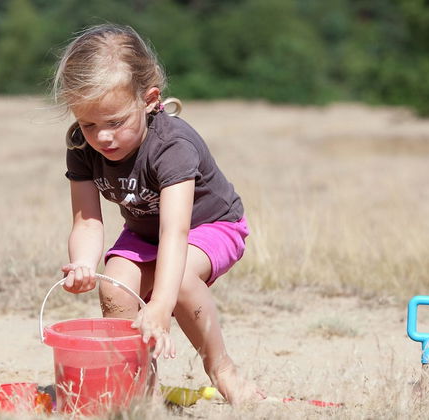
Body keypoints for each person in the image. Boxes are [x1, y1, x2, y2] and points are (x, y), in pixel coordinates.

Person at [53, 23, 265, 405]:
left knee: (180, 281)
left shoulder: (172, 145)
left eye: (116, 122)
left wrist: (160, 306)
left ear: (149, 99)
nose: (102, 138)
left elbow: (175, 233)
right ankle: (137, 387)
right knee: (114, 285)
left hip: (210, 226)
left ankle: (222, 370)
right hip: (145, 232)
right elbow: (86, 220)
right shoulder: (80, 146)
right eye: (89, 124)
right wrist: (83, 263)